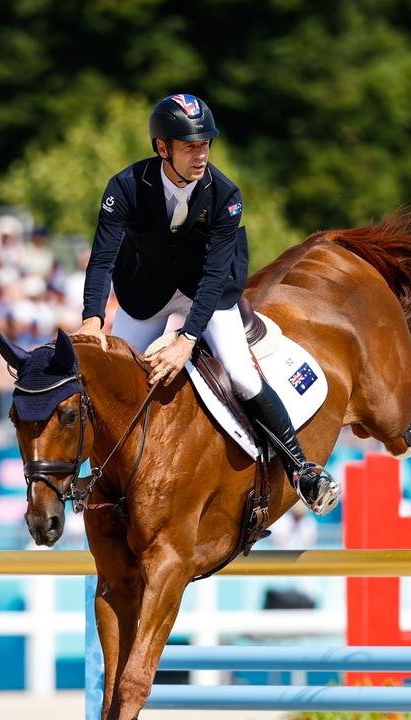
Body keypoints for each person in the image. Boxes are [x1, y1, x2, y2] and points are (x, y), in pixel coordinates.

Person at [77, 93, 339, 515]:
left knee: (241, 375)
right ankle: (91, 481)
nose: (201, 155)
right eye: (190, 146)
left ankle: (301, 470)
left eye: (205, 145)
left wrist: (186, 339)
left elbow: (215, 276)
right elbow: (103, 257)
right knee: (106, 378)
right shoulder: (125, 187)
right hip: (147, 293)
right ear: (162, 148)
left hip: (208, 292)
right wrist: (92, 320)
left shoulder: (225, 195)